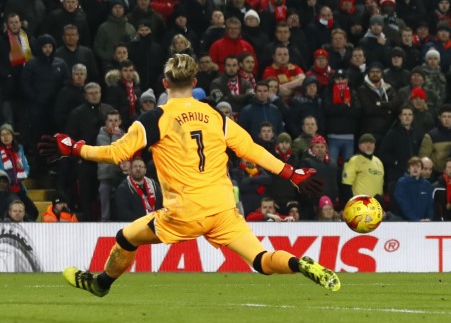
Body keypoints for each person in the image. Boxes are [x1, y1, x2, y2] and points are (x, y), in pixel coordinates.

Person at [39, 54, 338, 297]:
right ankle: (299, 263)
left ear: (165, 82)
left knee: (126, 238)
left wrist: (75, 148)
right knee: (260, 260)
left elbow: (116, 153)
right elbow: (252, 150)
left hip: (183, 212)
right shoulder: (216, 116)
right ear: (195, 82)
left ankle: (101, 284)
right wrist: (292, 173)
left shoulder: (156, 118)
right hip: (223, 209)